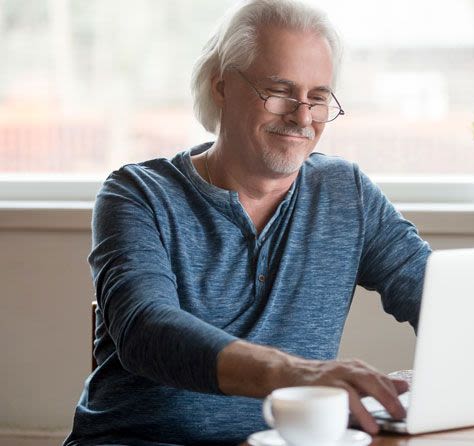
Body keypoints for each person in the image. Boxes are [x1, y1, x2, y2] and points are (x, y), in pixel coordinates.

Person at [64, 0, 431, 444]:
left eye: (317, 98)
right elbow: (146, 331)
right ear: (221, 87)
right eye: (279, 91)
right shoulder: (137, 193)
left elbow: (436, 297)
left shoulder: (345, 193)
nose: (301, 117)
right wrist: (298, 372)